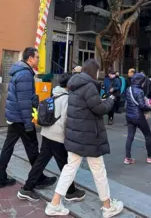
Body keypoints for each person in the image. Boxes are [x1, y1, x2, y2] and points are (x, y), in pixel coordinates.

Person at [45, 59, 123, 217]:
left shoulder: (74, 86)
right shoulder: (89, 86)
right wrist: (111, 99)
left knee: (69, 168)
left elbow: (87, 107)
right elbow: (100, 109)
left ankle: (54, 203)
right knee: (99, 171)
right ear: (93, 71)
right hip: (89, 136)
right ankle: (108, 207)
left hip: (75, 134)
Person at [18, 74, 86, 202]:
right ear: (70, 85)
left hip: (47, 134)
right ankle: (70, 192)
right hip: (58, 137)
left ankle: (26, 188)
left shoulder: (54, 94)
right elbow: (67, 121)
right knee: (65, 165)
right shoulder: (67, 99)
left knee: (40, 162)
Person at [0, 47, 55, 189]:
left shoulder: (20, 72)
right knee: (32, 147)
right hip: (21, 118)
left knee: (9, 147)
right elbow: (23, 101)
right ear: (30, 59)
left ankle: (0, 178)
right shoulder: (25, 75)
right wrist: (28, 123)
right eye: (37, 57)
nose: (38, 60)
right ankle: (38, 178)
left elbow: (24, 96)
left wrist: (34, 98)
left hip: (15, 117)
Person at [124, 72, 151, 164]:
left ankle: (127, 158)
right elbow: (141, 105)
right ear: (141, 82)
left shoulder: (129, 89)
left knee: (130, 137)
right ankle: (150, 157)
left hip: (129, 116)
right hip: (138, 117)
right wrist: (150, 107)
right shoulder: (140, 91)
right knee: (148, 135)